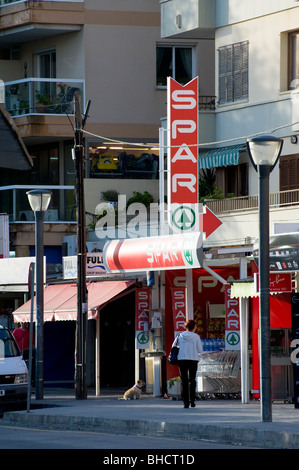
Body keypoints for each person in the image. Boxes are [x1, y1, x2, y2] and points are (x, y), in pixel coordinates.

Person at [172, 319, 203, 408]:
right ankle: (192, 401)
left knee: (184, 381)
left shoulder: (180, 335)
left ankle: (185, 402)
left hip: (182, 359)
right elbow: (200, 350)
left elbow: (173, 346)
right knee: (192, 380)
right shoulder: (196, 336)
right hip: (193, 359)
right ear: (194, 327)